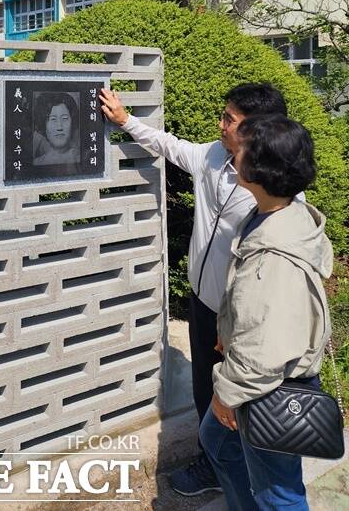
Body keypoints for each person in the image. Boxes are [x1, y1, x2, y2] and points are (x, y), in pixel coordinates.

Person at [99, 82, 294, 496]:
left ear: (257, 132)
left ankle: (250, 476)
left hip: (242, 316)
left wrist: (239, 322)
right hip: (204, 301)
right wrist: (125, 119)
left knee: (241, 399)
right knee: (206, 387)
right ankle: (216, 466)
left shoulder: (275, 190)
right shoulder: (211, 156)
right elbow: (170, 145)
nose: (220, 125)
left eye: (229, 120)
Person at [200, 114, 332, 510]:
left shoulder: (273, 260)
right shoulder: (281, 213)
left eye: (240, 150)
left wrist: (225, 394)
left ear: (259, 169)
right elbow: (254, 313)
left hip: (267, 389)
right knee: (218, 444)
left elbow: (264, 348)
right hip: (254, 378)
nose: (232, 153)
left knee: (281, 494)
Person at [33, 92, 80, 166]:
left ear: (72, 121)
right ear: (43, 124)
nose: (59, 127)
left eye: (64, 118)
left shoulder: (83, 158)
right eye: (53, 119)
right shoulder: (37, 163)